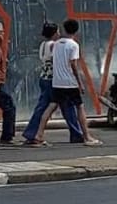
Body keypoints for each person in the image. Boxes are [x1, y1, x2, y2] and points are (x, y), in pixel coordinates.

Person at [22, 21, 86, 146]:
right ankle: (34, 134)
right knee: (55, 107)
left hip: (44, 77)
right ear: (53, 33)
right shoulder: (54, 44)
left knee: (56, 106)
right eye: (57, 31)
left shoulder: (43, 44)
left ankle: (75, 133)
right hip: (53, 79)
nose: (58, 33)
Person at [50, 18, 102, 147]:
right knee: (80, 107)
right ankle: (86, 136)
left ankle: (39, 134)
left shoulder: (56, 44)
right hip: (70, 82)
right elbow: (73, 64)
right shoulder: (73, 45)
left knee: (51, 106)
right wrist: (79, 82)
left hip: (57, 82)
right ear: (76, 30)